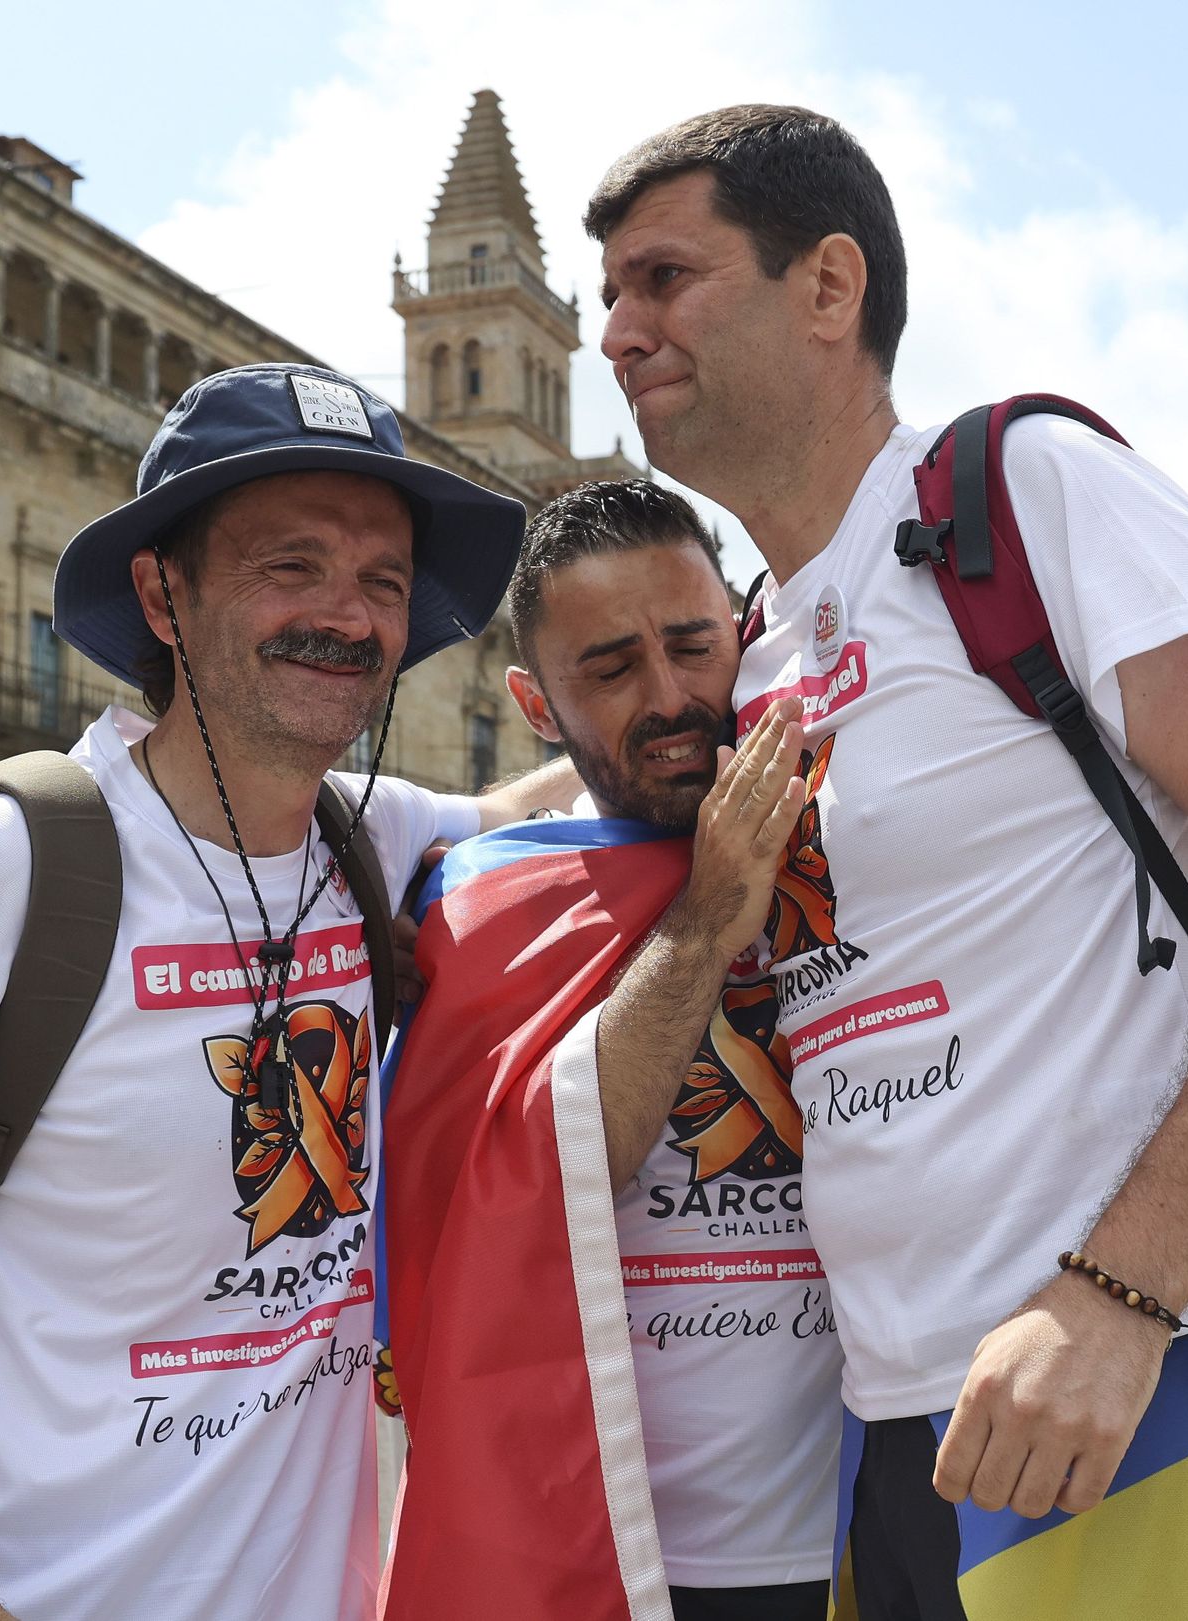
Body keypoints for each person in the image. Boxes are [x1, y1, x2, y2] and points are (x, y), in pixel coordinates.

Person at [585, 107, 1188, 1615]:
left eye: (664, 279)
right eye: (607, 299)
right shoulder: (769, 643)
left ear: (828, 286)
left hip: (1148, 1371)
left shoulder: (1024, 491)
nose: (618, 331)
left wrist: (1123, 1297)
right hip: (901, 1414)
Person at [0, 364, 574, 1620]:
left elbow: (551, 802)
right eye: (291, 566)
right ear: (160, 592)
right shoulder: (2, 865)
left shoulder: (369, 841)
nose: (346, 616)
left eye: (383, 581)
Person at [384, 482, 834, 1620]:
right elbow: (523, 1184)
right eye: (613, 668)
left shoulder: (850, 835)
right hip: (606, 1548)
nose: (673, 697)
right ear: (537, 700)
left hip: (878, 1515)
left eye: (693, 645)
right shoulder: (483, 910)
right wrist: (707, 912)